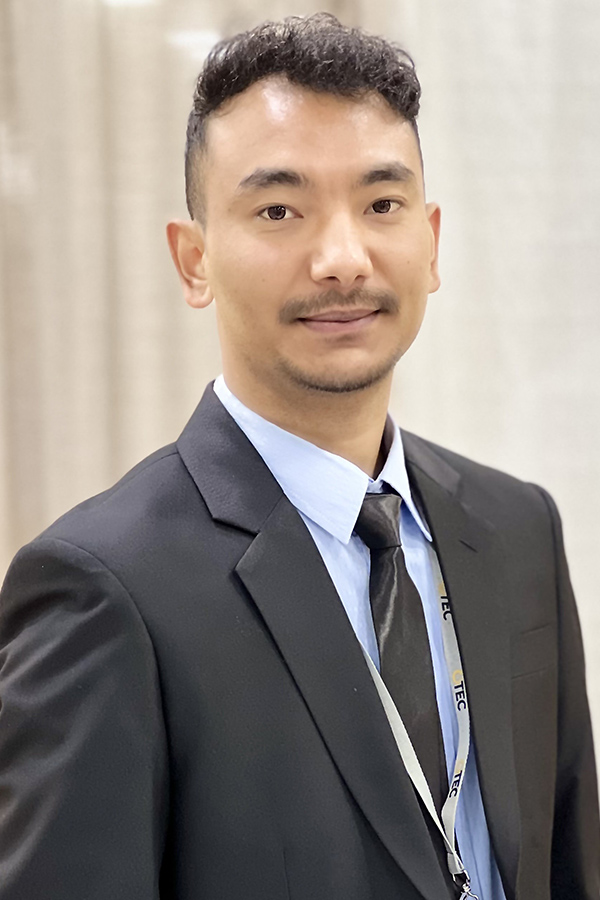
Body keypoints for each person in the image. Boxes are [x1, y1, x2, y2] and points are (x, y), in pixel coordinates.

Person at [0, 13, 598, 900]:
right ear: (194, 260)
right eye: (279, 210)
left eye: (382, 204)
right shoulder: (102, 590)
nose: (342, 258)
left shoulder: (516, 529)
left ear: (431, 240)